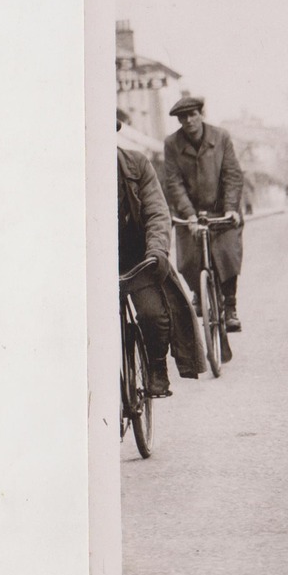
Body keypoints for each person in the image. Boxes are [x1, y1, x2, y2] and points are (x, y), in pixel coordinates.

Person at [119, 116, 202, 396]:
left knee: (154, 316)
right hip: (94, 266)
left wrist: (156, 250)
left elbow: (156, 211)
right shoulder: (73, 172)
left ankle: (156, 370)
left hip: (137, 260)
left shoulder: (136, 164)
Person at [162, 95, 245, 331]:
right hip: (192, 213)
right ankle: (199, 293)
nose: (188, 120)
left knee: (228, 254)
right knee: (187, 260)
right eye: (182, 117)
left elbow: (232, 174)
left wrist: (230, 208)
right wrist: (187, 215)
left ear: (201, 114)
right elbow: (173, 182)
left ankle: (230, 307)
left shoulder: (221, 137)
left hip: (222, 210)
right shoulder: (172, 144)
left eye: (192, 114)